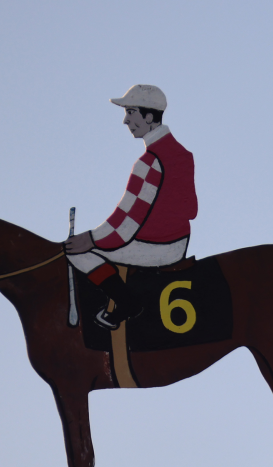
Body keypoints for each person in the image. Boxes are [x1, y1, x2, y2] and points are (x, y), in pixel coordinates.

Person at [64, 84, 198, 329]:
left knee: (77, 254)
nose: (126, 121)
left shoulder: (147, 163)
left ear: (148, 116)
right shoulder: (183, 154)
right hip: (180, 241)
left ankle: (126, 303)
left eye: (130, 112)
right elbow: (192, 210)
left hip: (158, 247)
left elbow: (124, 226)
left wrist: (90, 240)